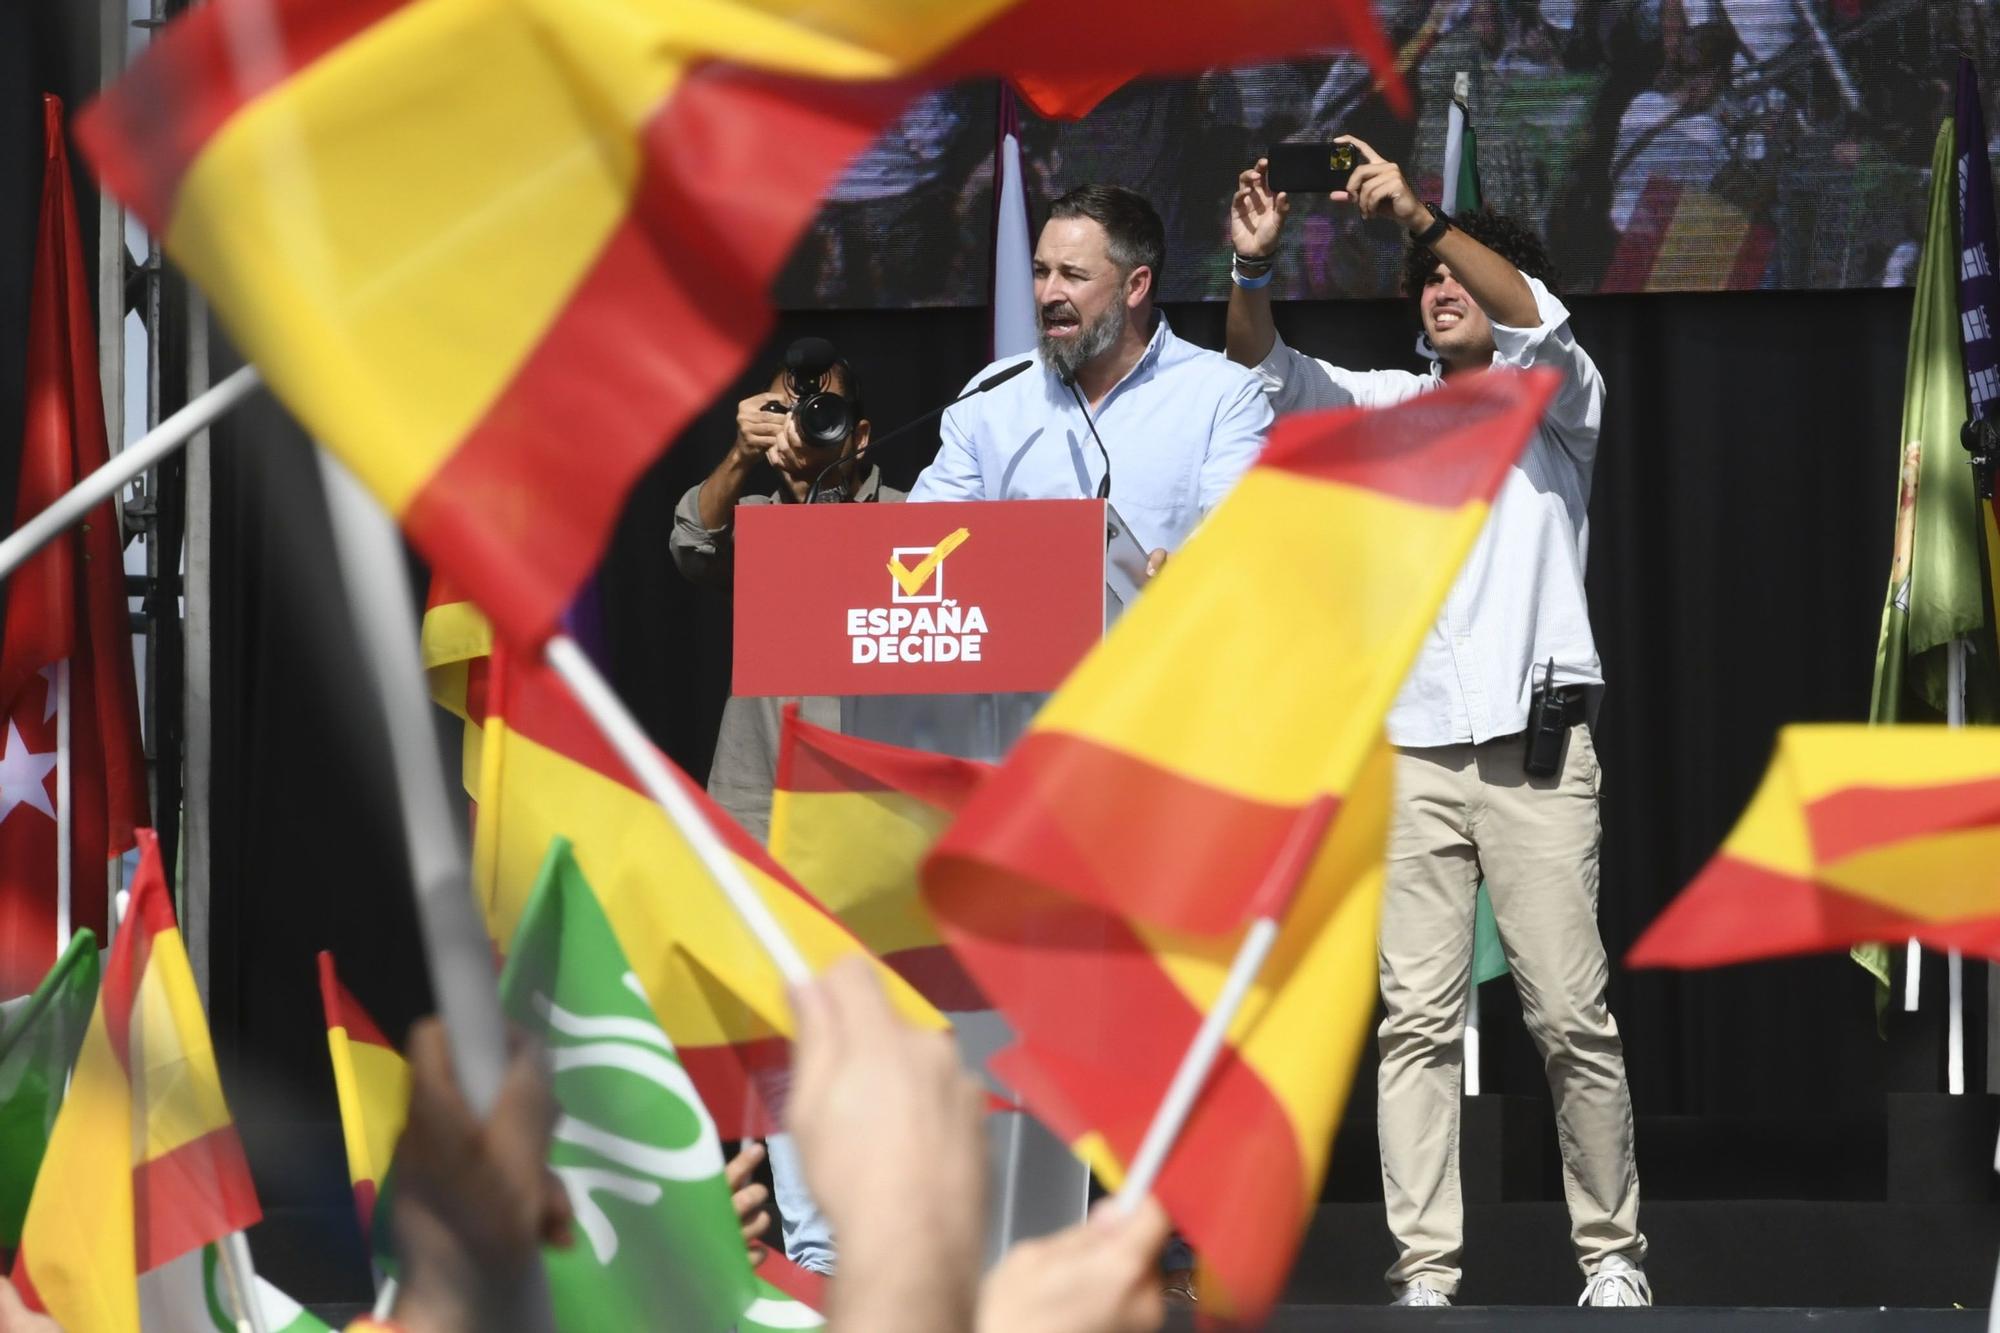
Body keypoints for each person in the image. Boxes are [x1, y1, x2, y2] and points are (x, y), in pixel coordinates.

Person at [1224, 140, 1649, 1308]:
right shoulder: (1385, 408)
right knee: (1414, 1019)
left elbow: (1534, 312)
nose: (1438, 287)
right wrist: (1249, 269)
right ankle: (1423, 1271)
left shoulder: (1555, 405)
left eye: (1458, 273)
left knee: (1567, 1013)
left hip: (1536, 754)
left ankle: (1610, 1258)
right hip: (1409, 755)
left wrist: (1419, 216)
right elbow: (1261, 369)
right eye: (1424, 280)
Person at [670, 349, 892, 1278]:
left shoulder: (910, 513)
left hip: (873, 809)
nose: (810, 431)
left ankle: (887, 1236)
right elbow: (687, 542)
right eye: (794, 412)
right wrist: (739, 451)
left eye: (828, 414)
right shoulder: (754, 513)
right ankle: (814, 1248)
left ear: (865, 432)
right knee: (789, 1027)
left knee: (871, 1029)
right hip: (764, 795)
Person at [910, 183, 1272, 577]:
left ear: (1135, 286)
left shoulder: (1222, 395)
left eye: (1072, 275)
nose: (1048, 294)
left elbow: (1241, 539)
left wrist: (1186, 573)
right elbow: (925, 546)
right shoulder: (991, 396)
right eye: (1040, 272)